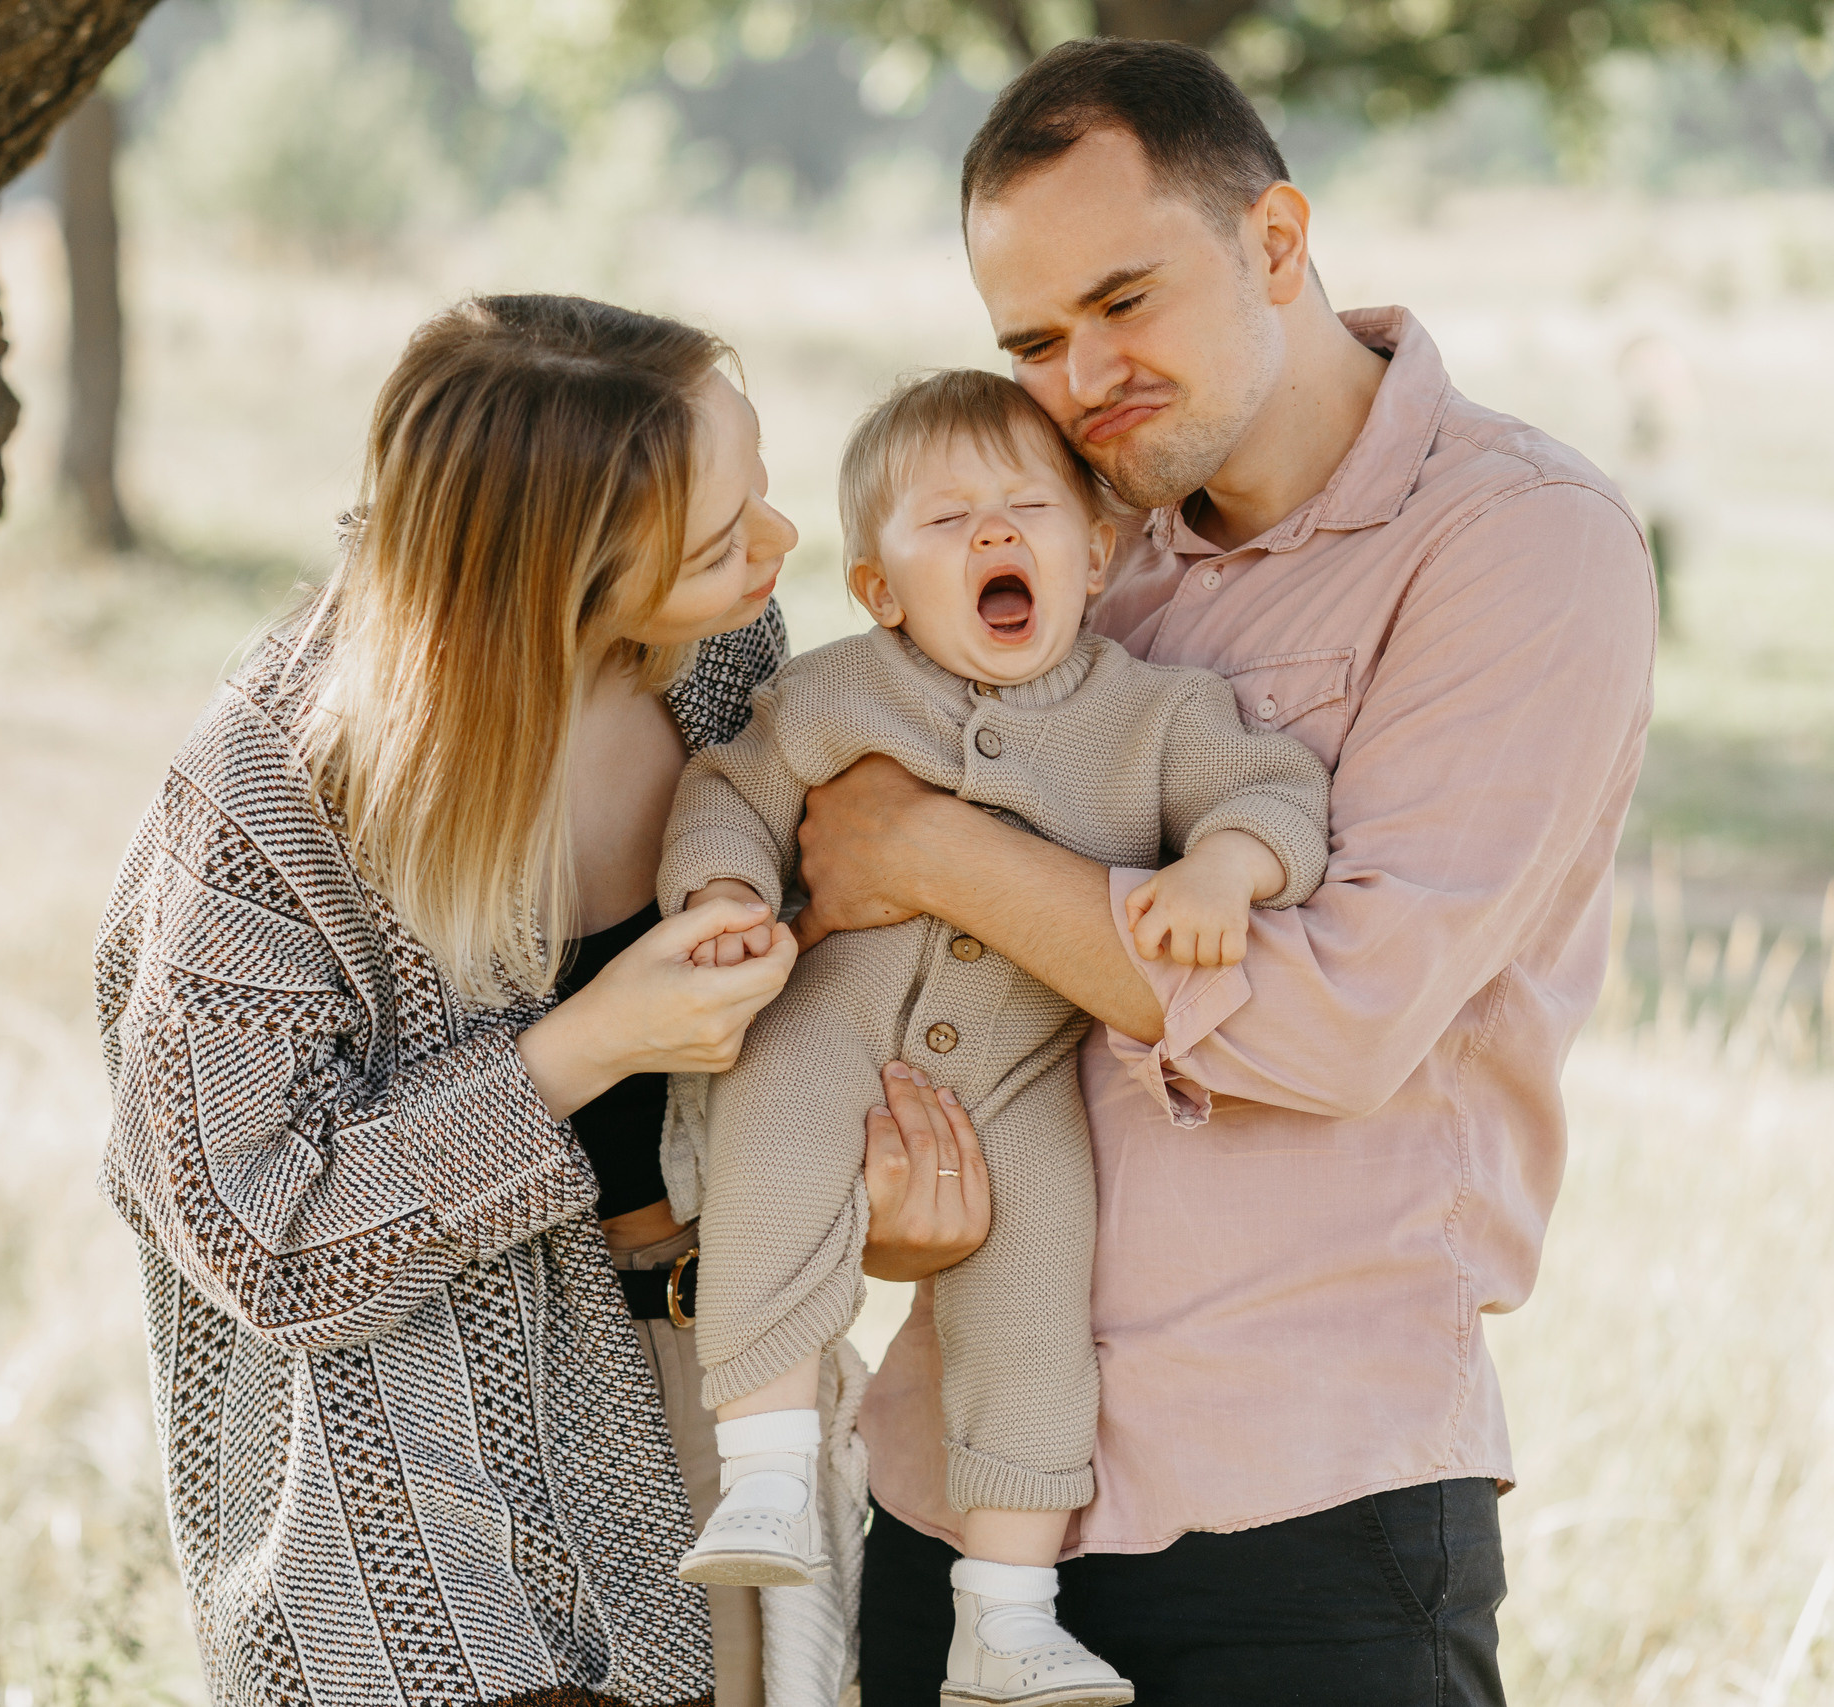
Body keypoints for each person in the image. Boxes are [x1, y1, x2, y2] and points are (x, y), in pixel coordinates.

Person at [803, 42, 1656, 1707]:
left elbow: (1334, 1024)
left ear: (1276, 239)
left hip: (1302, 1517)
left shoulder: (1521, 544)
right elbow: (899, 984)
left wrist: (935, 850)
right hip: (964, 1502)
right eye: (1033, 341)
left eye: (1125, 300)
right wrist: (890, 1211)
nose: (1083, 375)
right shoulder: (1057, 557)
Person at [96, 294, 992, 1707]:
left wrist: (888, 1205)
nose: (780, 547)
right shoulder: (276, 796)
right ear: (550, 578)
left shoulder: (730, 674)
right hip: (413, 1517)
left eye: (755, 494)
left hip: (733, 1400)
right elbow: (253, 1232)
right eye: (719, 543)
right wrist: (579, 1049)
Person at [659, 369, 1330, 1707]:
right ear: (880, 590)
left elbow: (1275, 788)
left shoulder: (1153, 717)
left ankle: (1010, 1616)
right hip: (831, 1021)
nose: (992, 536)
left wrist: (1228, 870)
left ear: (1097, 553)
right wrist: (726, 892)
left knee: (1038, 1298)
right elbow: (729, 789)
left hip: (1023, 1077)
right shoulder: (842, 692)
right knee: (771, 1142)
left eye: (1027, 507)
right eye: (946, 519)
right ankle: (772, 1479)